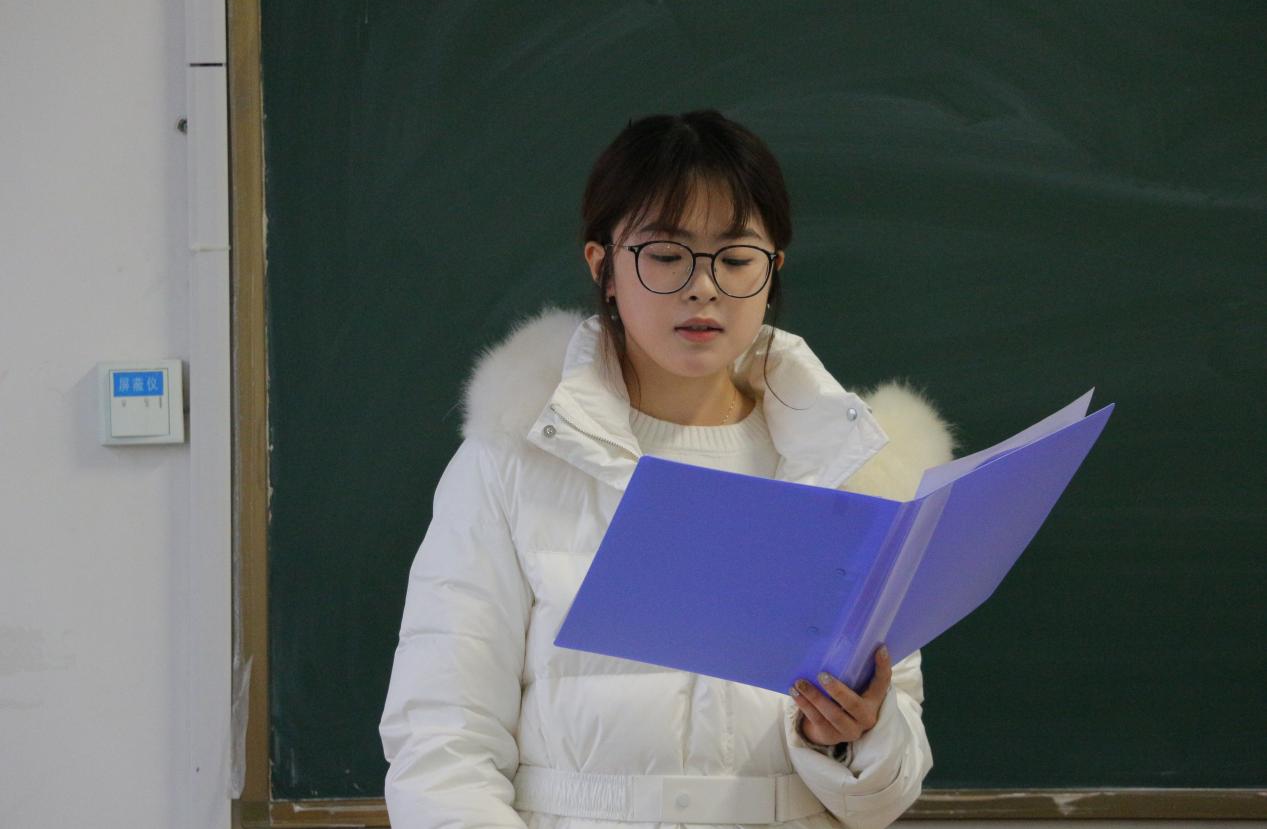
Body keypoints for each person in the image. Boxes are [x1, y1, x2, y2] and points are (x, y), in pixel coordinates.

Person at [379, 110, 957, 829]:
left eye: (736, 258)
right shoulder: (513, 458)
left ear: (772, 271)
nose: (703, 287)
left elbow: (888, 791)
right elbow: (441, 742)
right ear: (603, 267)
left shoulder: (853, 469)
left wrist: (851, 737)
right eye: (665, 254)